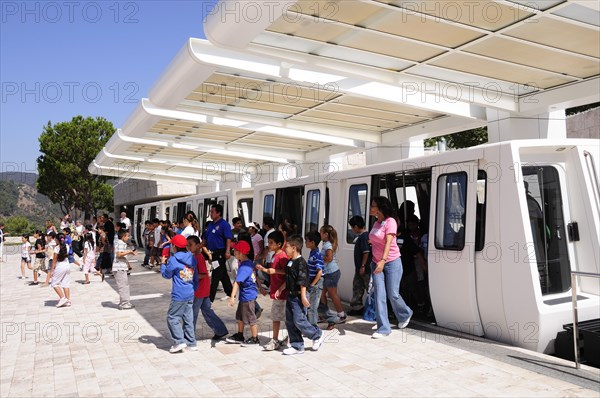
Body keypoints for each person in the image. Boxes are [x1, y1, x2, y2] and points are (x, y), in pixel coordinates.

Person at [369, 196, 413, 339]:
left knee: (392, 293)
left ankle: (405, 313)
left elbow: (388, 242)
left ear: (380, 208)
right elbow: (376, 239)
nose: (370, 207)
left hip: (391, 262)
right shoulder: (376, 223)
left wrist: (383, 260)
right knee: (379, 295)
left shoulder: (390, 222)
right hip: (376, 263)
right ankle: (384, 328)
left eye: (373, 205)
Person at [277, 235, 325, 355]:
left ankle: (317, 334)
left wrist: (303, 296)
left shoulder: (301, 263)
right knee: (290, 321)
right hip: (290, 295)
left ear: (294, 247)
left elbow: (303, 281)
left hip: (298, 296)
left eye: (286, 246)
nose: (284, 249)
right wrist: (281, 288)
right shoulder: (290, 262)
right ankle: (297, 345)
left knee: (299, 320)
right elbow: (289, 278)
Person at [187, 235, 229, 341]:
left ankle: (188, 336)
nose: (188, 247)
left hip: (199, 291)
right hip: (204, 290)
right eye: (187, 245)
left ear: (198, 246)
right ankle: (220, 330)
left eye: (190, 245)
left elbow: (203, 274)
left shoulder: (198, 258)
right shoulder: (196, 257)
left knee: (192, 313)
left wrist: (188, 276)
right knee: (207, 311)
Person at [161, 234, 198, 353]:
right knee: (188, 318)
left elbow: (167, 275)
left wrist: (163, 264)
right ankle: (191, 343)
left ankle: (179, 342)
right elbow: (195, 276)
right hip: (190, 292)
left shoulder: (173, 259)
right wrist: (194, 288)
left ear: (174, 246)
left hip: (179, 294)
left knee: (172, 317)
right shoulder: (192, 258)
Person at [256, 230, 288, 351]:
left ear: (279, 244)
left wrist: (267, 270)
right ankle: (285, 338)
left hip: (282, 294)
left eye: (271, 243)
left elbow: (287, 273)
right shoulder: (275, 255)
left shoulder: (282, 256)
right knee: (279, 317)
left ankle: (275, 340)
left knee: (277, 318)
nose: (268, 245)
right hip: (276, 292)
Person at [225, 240, 260, 346]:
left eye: (235, 250)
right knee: (239, 316)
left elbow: (237, 283)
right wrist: (261, 287)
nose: (233, 251)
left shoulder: (244, 267)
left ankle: (255, 338)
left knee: (250, 318)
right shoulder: (248, 263)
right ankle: (240, 335)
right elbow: (255, 276)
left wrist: (232, 297)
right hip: (245, 296)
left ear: (241, 253)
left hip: (248, 297)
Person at [203, 204, 234, 302]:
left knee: (216, 274)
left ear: (218, 213)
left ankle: (210, 297)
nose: (210, 214)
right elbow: (205, 238)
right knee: (223, 274)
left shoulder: (224, 224)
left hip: (221, 252)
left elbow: (228, 238)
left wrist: (228, 251)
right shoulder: (211, 224)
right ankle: (230, 292)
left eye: (212, 212)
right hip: (213, 252)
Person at [318, 225, 346, 330]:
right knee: (322, 294)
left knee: (332, 294)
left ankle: (341, 315)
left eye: (321, 232)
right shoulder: (326, 244)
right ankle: (325, 314)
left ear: (326, 234)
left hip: (331, 273)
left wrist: (318, 259)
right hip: (327, 273)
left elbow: (329, 258)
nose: (320, 234)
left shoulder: (328, 245)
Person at [348, 216, 372, 315]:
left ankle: (373, 308)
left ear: (356, 227)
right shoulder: (364, 236)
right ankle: (357, 307)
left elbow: (366, 252)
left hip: (364, 269)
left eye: (352, 227)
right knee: (358, 286)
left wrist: (363, 266)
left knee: (368, 287)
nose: (352, 230)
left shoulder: (364, 236)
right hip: (360, 269)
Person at [304, 231, 324, 327]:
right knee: (310, 306)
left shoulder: (316, 255)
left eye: (306, 241)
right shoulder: (312, 253)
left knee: (312, 307)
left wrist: (312, 284)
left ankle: (313, 327)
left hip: (316, 284)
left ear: (312, 242)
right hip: (312, 282)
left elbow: (319, 272)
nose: (305, 243)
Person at [114, 230, 135, 310]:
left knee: (125, 285)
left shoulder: (121, 243)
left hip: (122, 267)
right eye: (127, 236)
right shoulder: (120, 243)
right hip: (119, 268)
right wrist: (129, 251)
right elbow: (119, 254)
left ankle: (125, 302)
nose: (128, 237)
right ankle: (124, 304)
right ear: (123, 236)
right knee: (123, 286)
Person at [49, 234, 72, 307]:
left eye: (55, 239)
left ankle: (62, 298)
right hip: (67, 265)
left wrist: (51, 270)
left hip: (60, 266)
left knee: (54, 283)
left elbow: (54, 260)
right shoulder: (67, 246)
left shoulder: (57, 248)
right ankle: (68, 300)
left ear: (58, 240)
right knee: (66, 283)